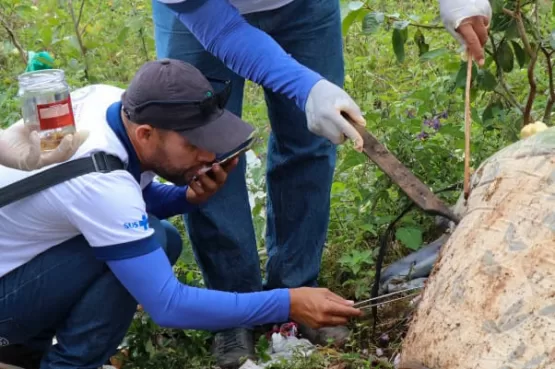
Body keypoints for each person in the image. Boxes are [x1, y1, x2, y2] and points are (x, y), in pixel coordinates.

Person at [151, 0, 492, 366]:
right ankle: (235, 308)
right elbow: (224, 30)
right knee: (205, 154)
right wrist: (306, 87)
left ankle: (297, 290)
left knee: (311, 142)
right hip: (202, 16)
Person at [0, 59, 362, 369]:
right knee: (153, 242)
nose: (208, 155)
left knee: (163, 239)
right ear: (144, 134)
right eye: (193, 143)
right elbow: (168, 304)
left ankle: (25, 349)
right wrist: (287, 302)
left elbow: (119, 200)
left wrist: (184, 198)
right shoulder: (101, 183)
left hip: (20, 260)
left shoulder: (111, 104)